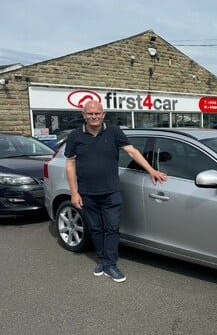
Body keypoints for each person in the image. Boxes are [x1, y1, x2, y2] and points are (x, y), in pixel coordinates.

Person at [64, 100, 167, 283]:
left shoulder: (113, 132)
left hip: (111, 191)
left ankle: (110, 264)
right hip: (87, 192)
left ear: (104, 114)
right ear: (84, 115)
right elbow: (70, 164)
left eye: (97, 113)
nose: (94, 117)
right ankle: (103, 260)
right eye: (90, 114)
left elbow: (132, 152)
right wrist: (74, 192)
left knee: (111, 228)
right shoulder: (75, 136)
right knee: (96, 229)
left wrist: (151, 170)